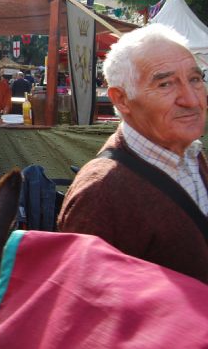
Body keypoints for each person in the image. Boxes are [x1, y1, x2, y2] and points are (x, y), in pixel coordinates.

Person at [58, 23, 208, 284]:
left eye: (195, 79)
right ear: (122, 100)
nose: (192, 100)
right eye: (165, 85)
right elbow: (85, 308)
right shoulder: (100, 193)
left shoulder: (190, 154)